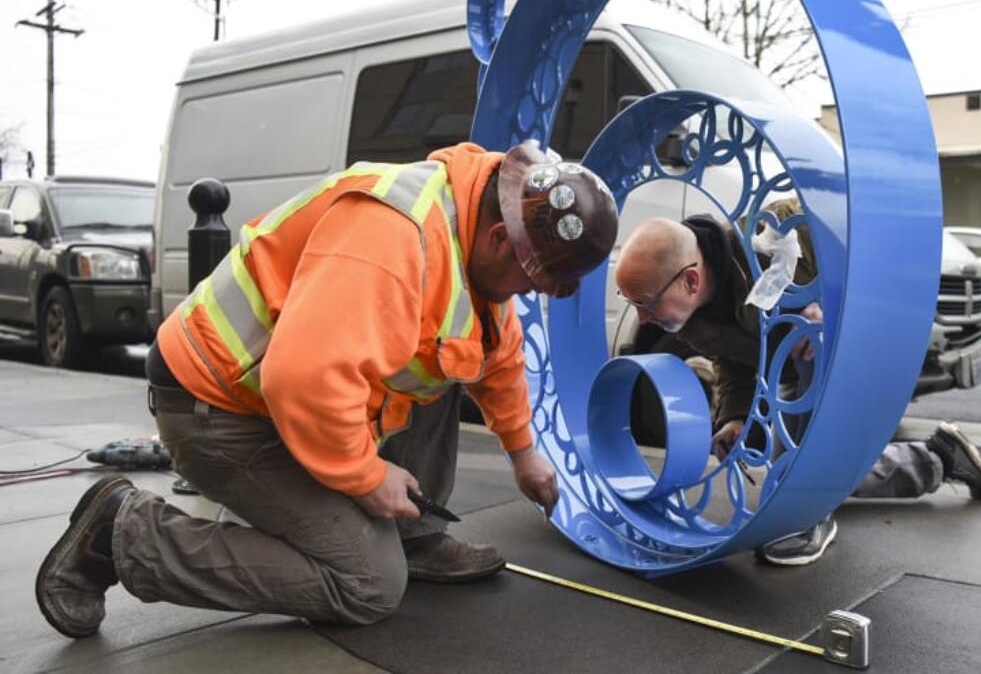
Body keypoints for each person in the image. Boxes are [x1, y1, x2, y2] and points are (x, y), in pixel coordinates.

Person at [36, 140, 618, 637]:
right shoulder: (398, 235)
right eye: (532, 277)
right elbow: (302, 378)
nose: (526, 294)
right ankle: (121, 534)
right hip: (217, 406)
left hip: (281, 395)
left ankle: (415, 537)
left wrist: (523, 453)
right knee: (367, 583)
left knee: (447, 364)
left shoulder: (471, 231)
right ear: (498, 236)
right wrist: (366, 479)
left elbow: (496, 355)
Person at [613, 204, 981, 567]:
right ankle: (941, 459)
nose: (643, 319)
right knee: (791, 474)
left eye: (645, 302)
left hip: (860, 352)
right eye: (631, 302)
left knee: (799, 474)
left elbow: (879, 256)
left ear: (691, 280)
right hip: (797, 377)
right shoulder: (690, 319)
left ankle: (807, 515)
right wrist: (735, 416)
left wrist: (833, 306)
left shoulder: (780, 229)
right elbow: (730, 360)